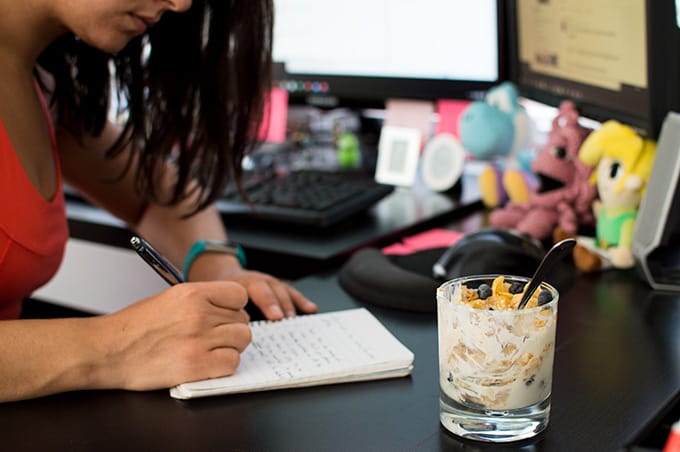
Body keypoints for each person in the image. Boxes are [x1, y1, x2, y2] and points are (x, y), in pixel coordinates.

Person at [0, 0, 318, 402]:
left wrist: (217, 267)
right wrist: (112, 346)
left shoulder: (41, 87)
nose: (181, 3)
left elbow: (162, 193)